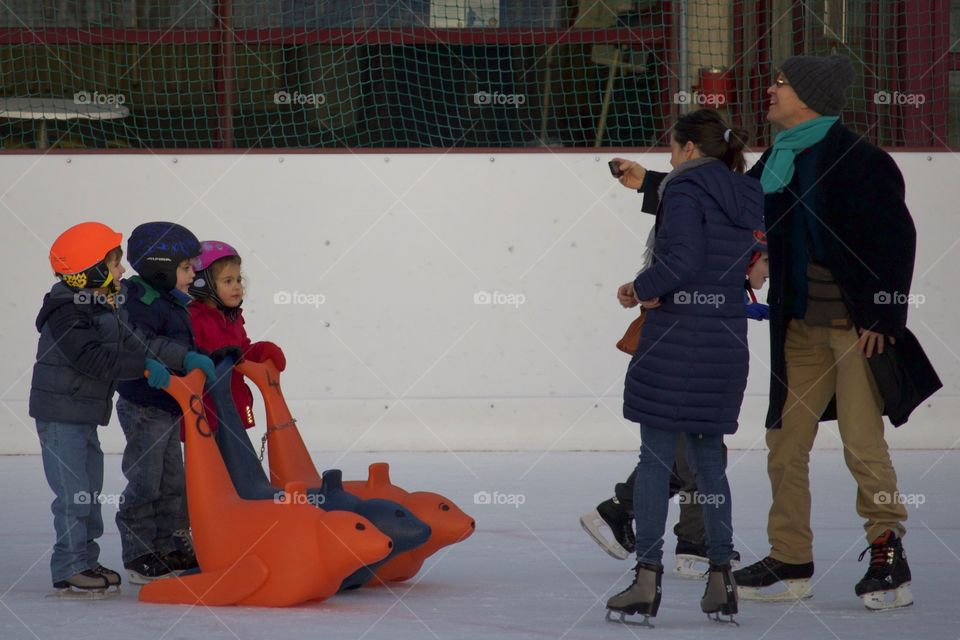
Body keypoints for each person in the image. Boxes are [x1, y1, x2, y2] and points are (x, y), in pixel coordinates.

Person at [615, 55, 940, 610]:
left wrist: (884, 318)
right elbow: (722, 203)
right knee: (785, 446)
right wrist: (652, 183)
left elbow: (896, 240)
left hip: (854, 330)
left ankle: (888, 550)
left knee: (863, 444)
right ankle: (790, 558)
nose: (770, 89)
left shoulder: (861, 160)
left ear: (809, 95)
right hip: (799, 330)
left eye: (782, 84)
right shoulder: (776, 160)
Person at [604, 108, 763, 626]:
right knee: (709, 463)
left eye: (672, 149)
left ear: (690, 149)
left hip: (678, 339)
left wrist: (639, 288)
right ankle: (721, 580)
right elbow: (736, 262)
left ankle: (646, 579)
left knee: (655, 459)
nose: (670, 160)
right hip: (725, 339)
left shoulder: (684, 189)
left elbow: (684, 259)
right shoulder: (746, 191)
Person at [581, 232, 768, 576]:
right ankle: (694, 544)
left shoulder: (718, 267)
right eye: (767, 261)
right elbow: (683, 292)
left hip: (688, 366)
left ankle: (619, 510)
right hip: (680, 368)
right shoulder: (704, 252)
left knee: (685, 455)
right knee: (698, 456)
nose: (770, 272)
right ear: (749, 258)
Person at [29, 222, 185, 596]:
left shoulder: (103, 305)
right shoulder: (67, 311)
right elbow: (92, 359)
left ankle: (86, 560)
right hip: (60, 416)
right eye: (114, 263)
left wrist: (184, 358)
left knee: (89, 493)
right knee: (74, 496)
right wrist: (143, 367)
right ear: (93, 270)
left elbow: (140, 342)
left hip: (83, 415)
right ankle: (70, 566)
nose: (122, 270)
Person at [114, 222, 215, 584]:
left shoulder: (171, 301)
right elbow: (141, 343)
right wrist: (183, 358)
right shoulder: (138, 301)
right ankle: (139, 553)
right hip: (144, 405)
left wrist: (200, 358)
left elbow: (178, 343)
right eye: (186, 268)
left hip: (169, 405)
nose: (193, 275)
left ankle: (168, 546)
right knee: (146, 481)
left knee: (172, 481)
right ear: (161, 268)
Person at [187, 240, 287, 432]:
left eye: (238, 280)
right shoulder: (193, 319)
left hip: (233, 405)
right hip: (207, 414)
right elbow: (191, 360)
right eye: (228, 281)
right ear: (204, 284)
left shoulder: (233, 318)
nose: (237, 287)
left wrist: (263, 350)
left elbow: (243, 352)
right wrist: (215, 358)